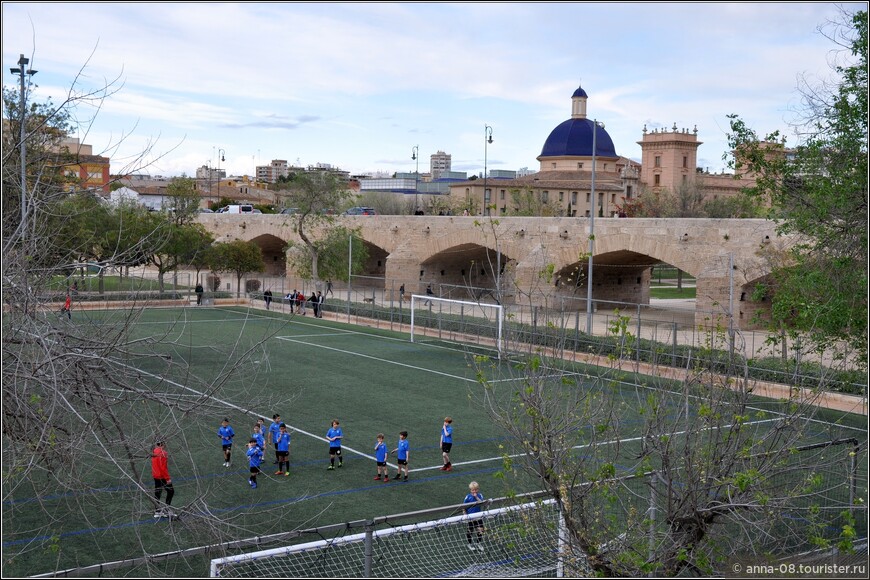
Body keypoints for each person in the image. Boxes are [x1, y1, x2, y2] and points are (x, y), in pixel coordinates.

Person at [151, 440, 175, 519]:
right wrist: (167, 479)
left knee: (158, 492)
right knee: (171, 491)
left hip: (155, 475)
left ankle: (157, 511)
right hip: (162, 476)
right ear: (163, 444)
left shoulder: (154, 451)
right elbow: (163, 468)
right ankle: (167, 510)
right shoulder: (163, 453)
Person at [463, 481, 485, 551]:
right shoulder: (468, 497)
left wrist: (476, 497)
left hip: (478, 516)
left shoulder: (480, 495)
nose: (474, 491)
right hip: (471, 517)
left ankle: (478, 543)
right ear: (470, 490)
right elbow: (464, 507)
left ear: (478, 489)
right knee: (470, 531)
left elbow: (481, 503)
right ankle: (469, 544)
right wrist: (465, 514)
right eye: (473, 490)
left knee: (481, 530)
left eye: (475, 490)